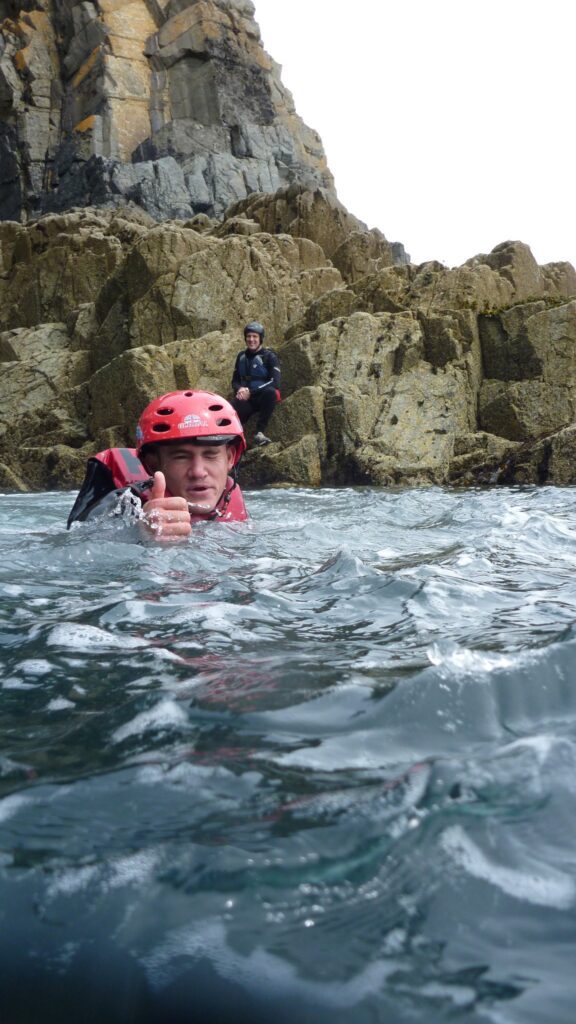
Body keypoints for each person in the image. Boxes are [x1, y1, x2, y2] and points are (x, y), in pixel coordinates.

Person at [67, 390, 248, 543]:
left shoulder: (234, 507)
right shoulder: (124, 506)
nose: (198, 472)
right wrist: (140, 534)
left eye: (210, 455)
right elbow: (76, 543)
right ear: (153, 464)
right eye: (181, 457)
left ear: (230, 458)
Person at [231, 321, 281, 446]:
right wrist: (240, 390)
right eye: (248, 336)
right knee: (228, 409)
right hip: (246, 400)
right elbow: (235, 380)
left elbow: (275, 382)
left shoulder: (270, 356)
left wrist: (250, 392)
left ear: (260, 339)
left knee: (271, 392)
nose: (251, 339)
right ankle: (230, 441)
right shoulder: (241, 356)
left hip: (261, 397)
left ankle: (260, 432)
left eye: (255, 336)